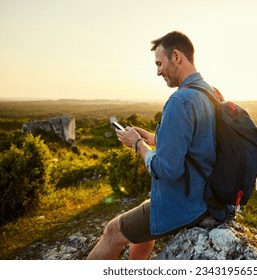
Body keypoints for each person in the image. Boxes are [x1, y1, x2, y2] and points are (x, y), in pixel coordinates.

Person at [87, 31, 217, 260]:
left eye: (159, 63)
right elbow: (198, 142)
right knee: (148, 208)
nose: (158, 71)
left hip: (189, 205)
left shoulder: (180, 101)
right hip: (209, 196)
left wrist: (137, 144)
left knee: (112, 231)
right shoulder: (210, 92)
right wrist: (151, 137)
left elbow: (166, 170)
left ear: (176, 57)